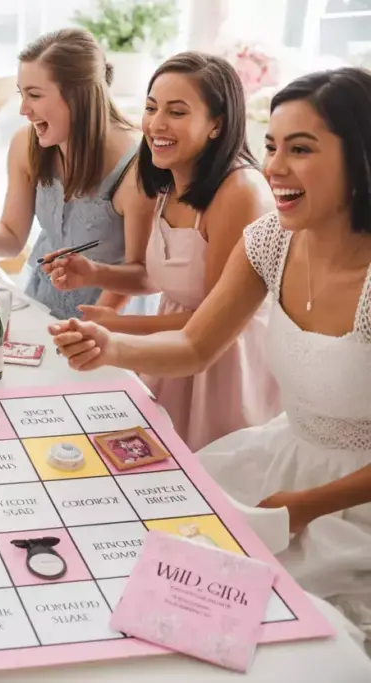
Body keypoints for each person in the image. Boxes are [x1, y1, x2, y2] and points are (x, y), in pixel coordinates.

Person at [51, 67, 371, 643]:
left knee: (293, 632)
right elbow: (197, 344)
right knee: (146, 572)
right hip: (280, 462)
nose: (274, 167)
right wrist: (113, 346)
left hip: (354, 503)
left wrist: (306, 506)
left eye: (301, 149)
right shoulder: (271, 239)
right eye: (272, 145)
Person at [40, 52, 281, 451]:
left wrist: (115, 326)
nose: (156, 123)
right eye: (151, 107)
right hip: (171, 349)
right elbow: (160, 275)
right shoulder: (166, 177)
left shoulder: (240, 192)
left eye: (177, 112)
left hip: (225, 365)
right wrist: (95, 272)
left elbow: (204, 321)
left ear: (217, 124)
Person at [0, 28, 155, 320]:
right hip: (43, 308)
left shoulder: (138, 167)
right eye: (22, 94)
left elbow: (141, 274)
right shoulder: (26, 144)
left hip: (108, 323)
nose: (24, 109)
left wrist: (83, 330)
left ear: (79, 97)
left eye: (35, 95)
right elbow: (12, 238)